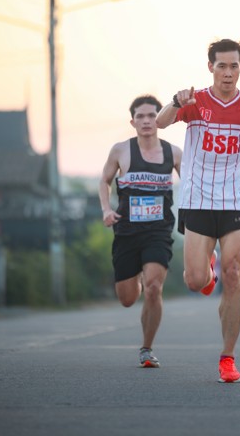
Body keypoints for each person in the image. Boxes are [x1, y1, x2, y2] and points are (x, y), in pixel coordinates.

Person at [155, 38, 240, 383]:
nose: (228, 72)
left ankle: (228, 357)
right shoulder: (195, 101)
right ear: (210, 67)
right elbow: (162, 122)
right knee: (195, 281)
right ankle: (207, 270)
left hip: (236, 200)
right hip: (198, 199)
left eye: (234, 66)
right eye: (222, 66)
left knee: (234, 273)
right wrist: (175, 101)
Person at [99, 95, 182, 368]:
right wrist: (106, 210)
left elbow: (194, 185)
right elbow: (104, 181)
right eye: (141, 116)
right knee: (127, 299)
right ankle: (135, 274)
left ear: (160, 119)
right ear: (133, 122)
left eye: (152, 116)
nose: (146, 121)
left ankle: (147, 349)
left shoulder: (174, 153)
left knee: (154, 287)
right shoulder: (121, 150)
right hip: (126, 232)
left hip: (158, 231)